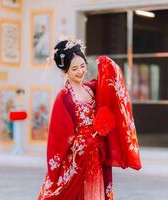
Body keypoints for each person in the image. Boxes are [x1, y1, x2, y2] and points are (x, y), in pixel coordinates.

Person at [38, 38, 141, 200]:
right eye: (74, 69)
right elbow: (58, 138)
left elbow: (110, 87)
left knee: (96, 191)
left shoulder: (91, 89)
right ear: (65, 70)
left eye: (82, 66)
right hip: (78, 157)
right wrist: (81, 144)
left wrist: (106, 63)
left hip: (97, 153)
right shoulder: (64, 97)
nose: (80, 71)